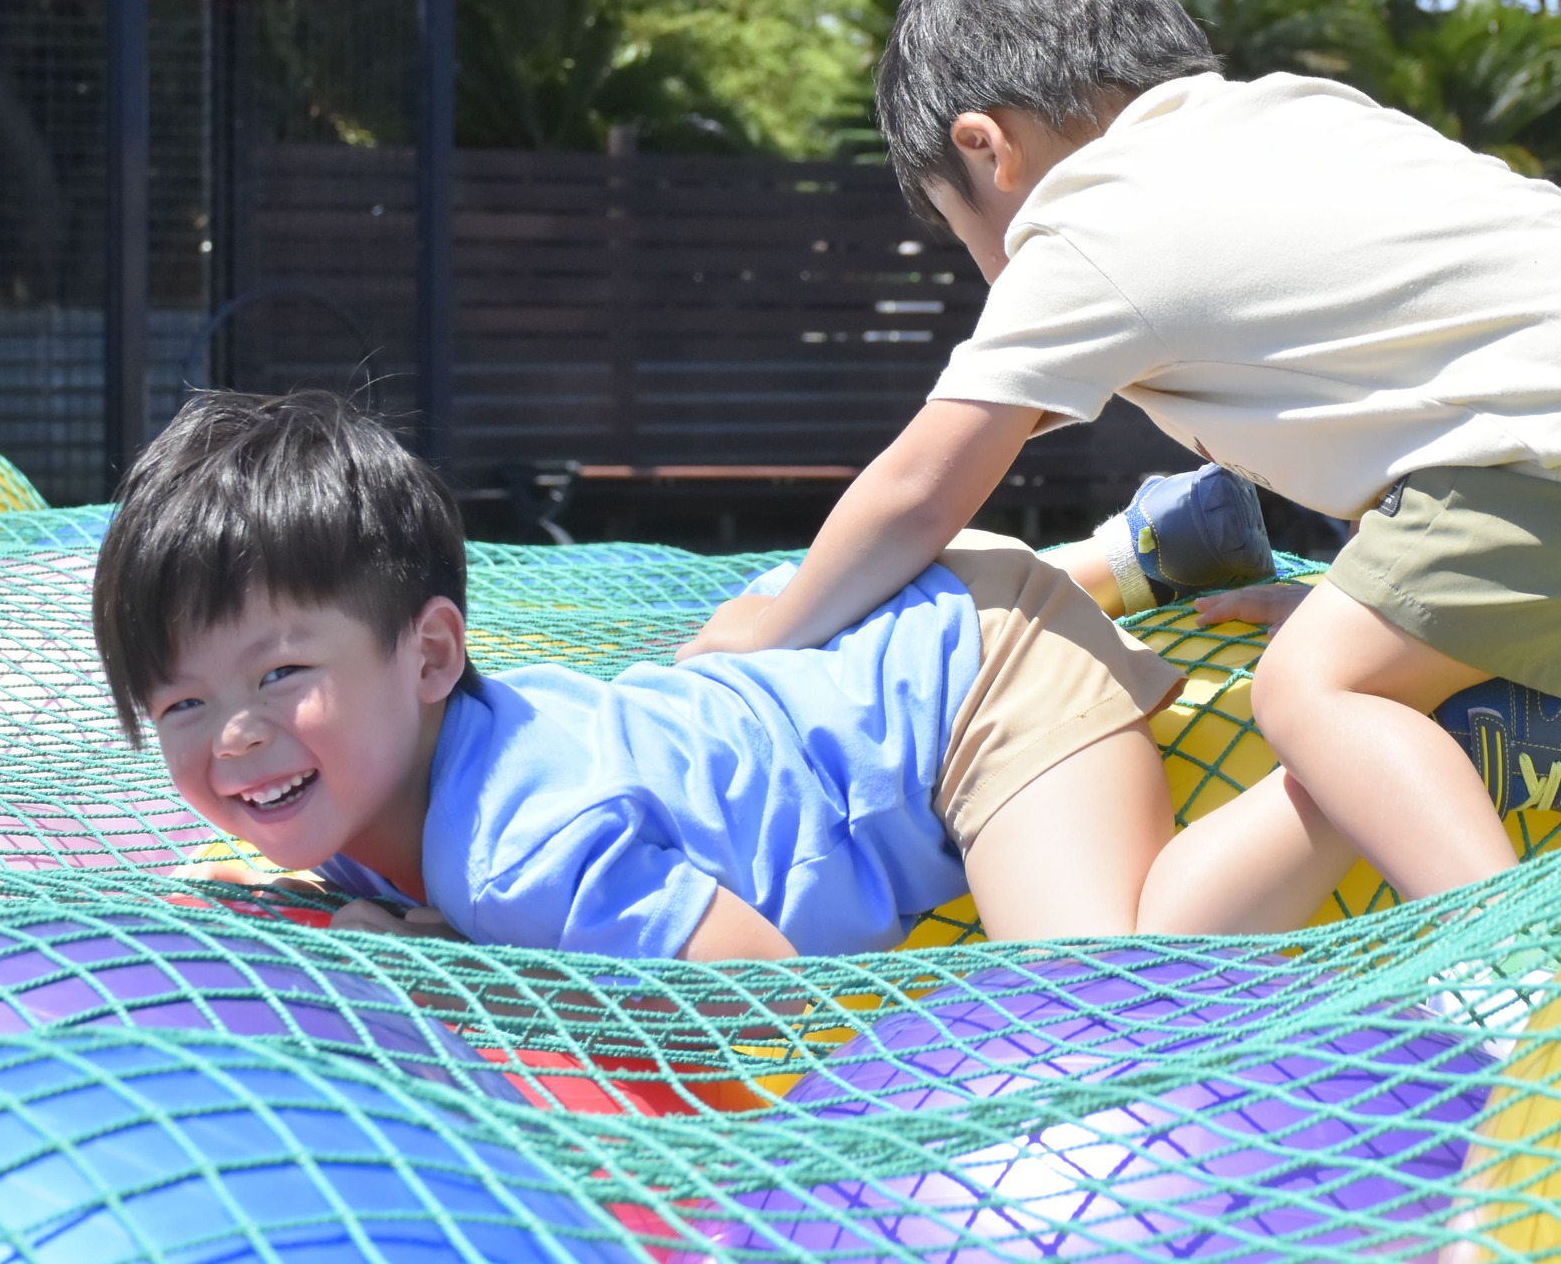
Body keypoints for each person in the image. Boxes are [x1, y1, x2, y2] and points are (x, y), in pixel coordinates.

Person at [680, 0, 1561, 906]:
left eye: (961, 234)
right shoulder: (1282, 112)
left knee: (1309, 689)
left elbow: (923, 482)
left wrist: (773, 633)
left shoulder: (1084, 227)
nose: (985, 271)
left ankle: (1497, 958)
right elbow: (1427, 379)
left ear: (986, 151)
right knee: (1486, 543)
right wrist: (1379, 587)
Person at [91, 390, 1365, 958]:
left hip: (972, 679)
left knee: (1101, 986)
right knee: (719, 648)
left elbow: (754, 985)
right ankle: (1126, 555)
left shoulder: (520, 853)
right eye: (183, 703)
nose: (237, 739)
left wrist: (473, 969)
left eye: (278, 676)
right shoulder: (366, 781)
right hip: (842, 634)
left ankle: (1399, 734)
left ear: (430, 653)